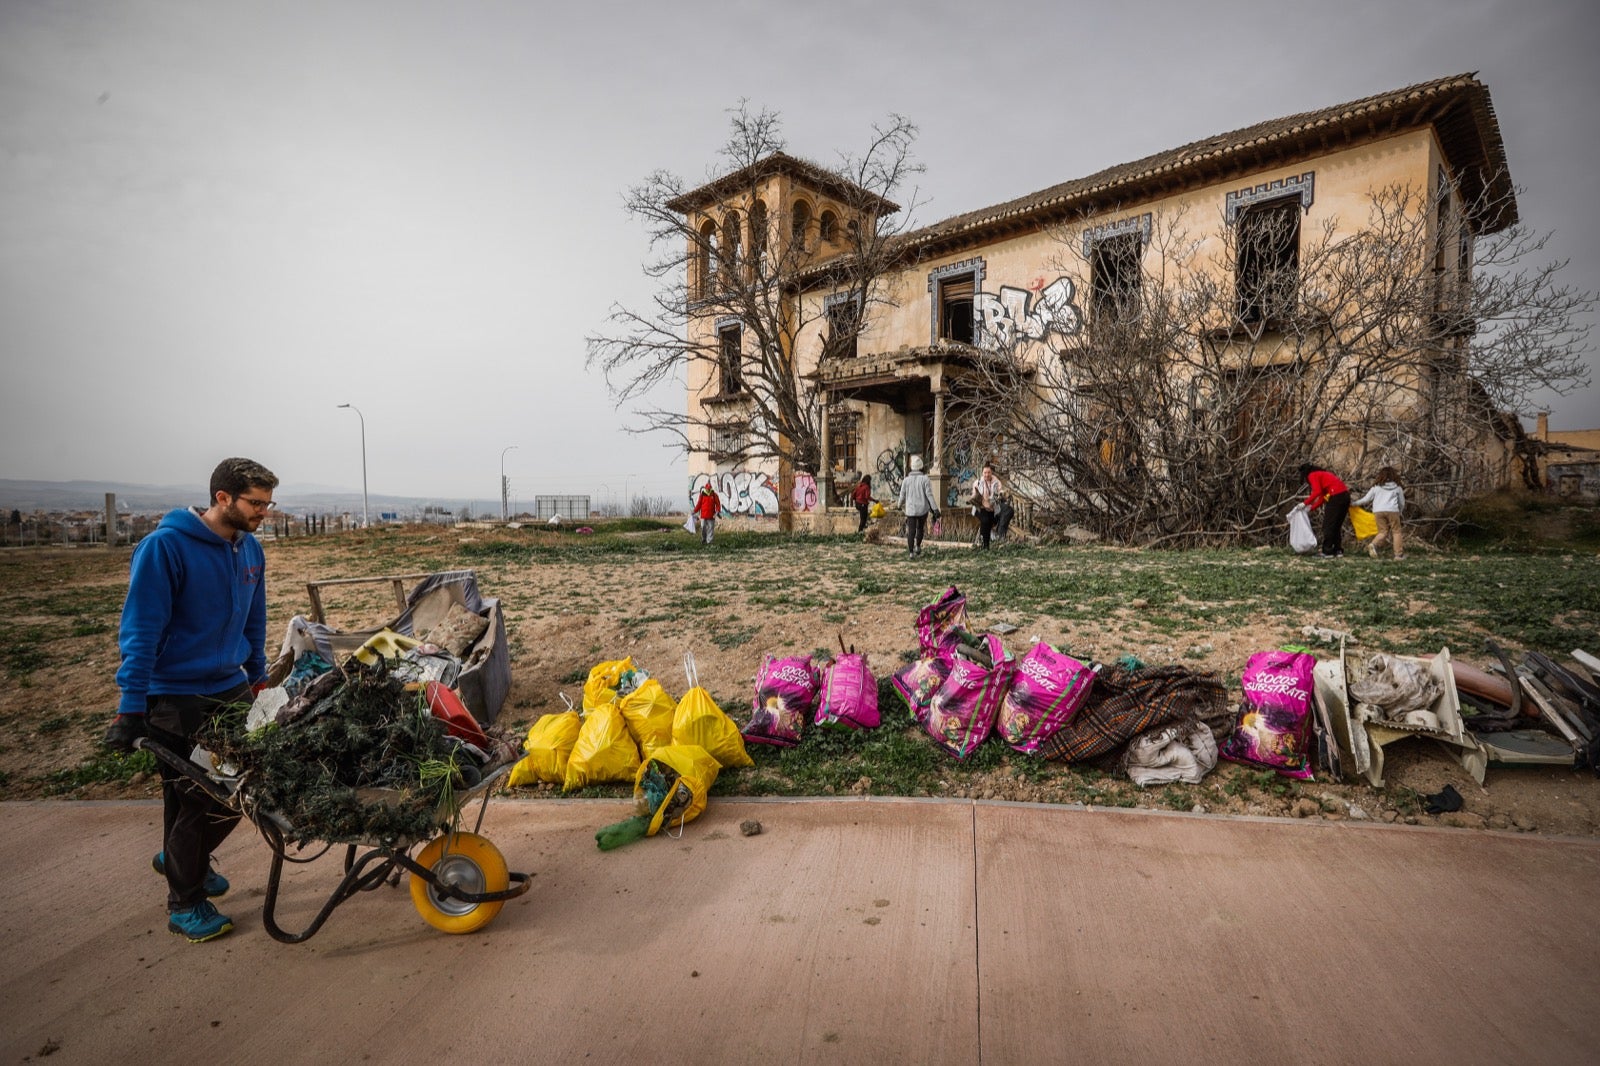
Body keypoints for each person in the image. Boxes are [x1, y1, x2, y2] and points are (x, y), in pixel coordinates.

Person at [102, 457, 279, 943]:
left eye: (268, 503)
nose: (264, 512)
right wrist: (130, 705)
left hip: (230, 687)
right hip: (175, 695)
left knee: (204, 792)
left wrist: (258, 678)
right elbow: (140, 629)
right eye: (255, 503)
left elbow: (253, 621)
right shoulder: (165, 548)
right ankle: (185, 899)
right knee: (212, 795)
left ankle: (182, 859)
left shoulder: (250, 550)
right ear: (223, 498)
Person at [1299, 463, 1351, 558]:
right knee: (1336, 525)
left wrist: (1305, 503)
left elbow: (1317, 492)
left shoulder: (1312, 475)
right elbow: (1322, 497)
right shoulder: (1322, 474)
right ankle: (1337, 550)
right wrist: (1311, 507)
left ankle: (1327, 551)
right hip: (1345, 496)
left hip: (1336, 497)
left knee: (1328, 525)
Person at [1354, 466, 1406, 559]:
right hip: (1392, 510)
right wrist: (1400, 511)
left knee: (1383, 531)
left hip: (1378, 511)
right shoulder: (1398, 488)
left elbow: (1366, 499)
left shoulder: (1376, 487)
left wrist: (1353, 504)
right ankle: (1398, 555)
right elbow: (1402, 502)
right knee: (1396, 532)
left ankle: (1373, 544)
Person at [897, 455, 938, 558]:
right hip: (922, 509)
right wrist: (935, 508)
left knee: (911, 530)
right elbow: (929, 495)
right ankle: (918, 546)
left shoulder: (906, 480)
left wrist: (899, 505)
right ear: (921, 467)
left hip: (910, 510)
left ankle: (911, 553)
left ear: (911, 467)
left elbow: (902, 495)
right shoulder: (925, 479)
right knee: (920, 528)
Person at [972, 463, 1003, 549]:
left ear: (991, 472)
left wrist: (1000, 496)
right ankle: (984, 545)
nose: (987, 474)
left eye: (988, 472)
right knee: (985, 521)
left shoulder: (997, 483)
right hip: (980, 508)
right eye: (985, 472)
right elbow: (974, 497)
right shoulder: (978, 483)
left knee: (990, 523)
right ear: (982, 473)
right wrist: (978, 499)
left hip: (992, 509)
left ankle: (986, 545)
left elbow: (999, 494)